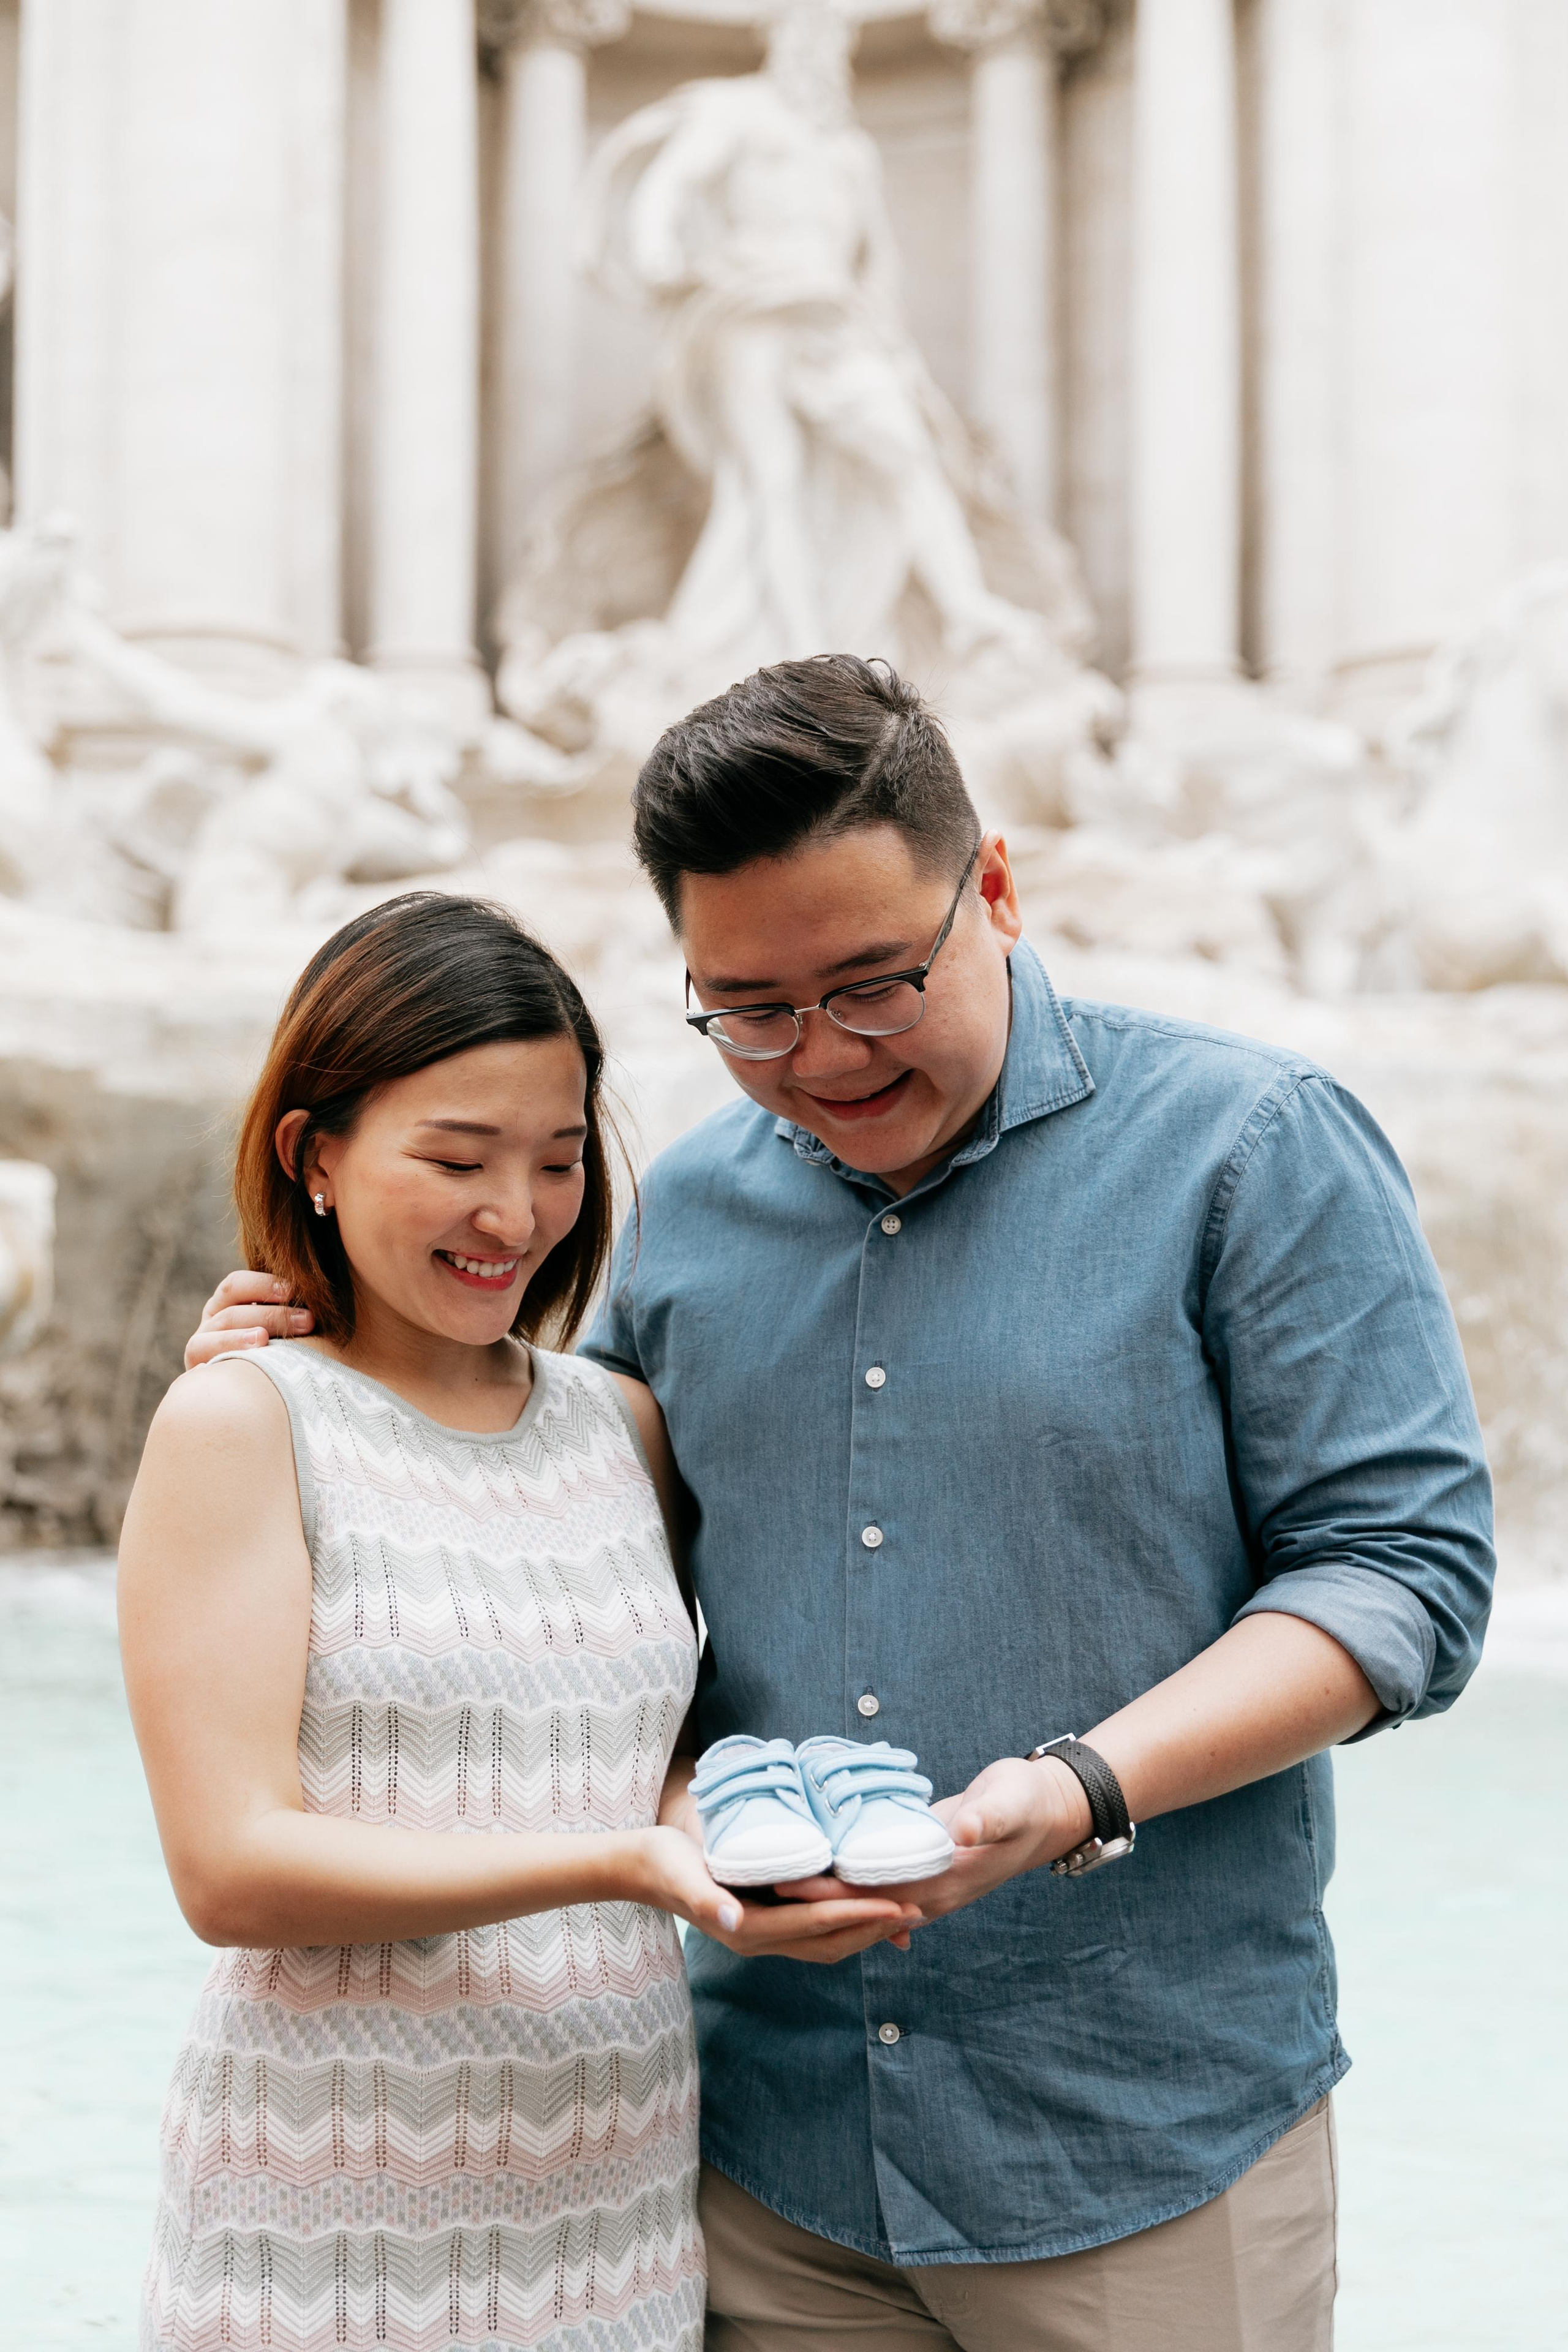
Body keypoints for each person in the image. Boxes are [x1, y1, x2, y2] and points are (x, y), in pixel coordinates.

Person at [192, 658, 1495, 2352]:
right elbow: (552, 1564)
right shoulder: (686, 1216)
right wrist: (299, 1378)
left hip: (1145, 2149)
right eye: (749, 1010)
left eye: (875, 985)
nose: (820, 1057)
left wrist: (1081, 1789)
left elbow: (1404, 1576)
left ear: (998, 890)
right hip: (759, 2166)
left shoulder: (1253, 1146)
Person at [124, 891, 917, 2352]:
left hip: (611, 2216)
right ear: (314, 1156)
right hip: (330, 2226)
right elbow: (231, 1871)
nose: (516, 1216)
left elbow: (638, 1750)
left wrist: (739, 1839)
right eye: (455, 1158)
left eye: (555, 1161)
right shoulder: (241, 1421)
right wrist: (625, 1865)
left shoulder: (619, 1425)